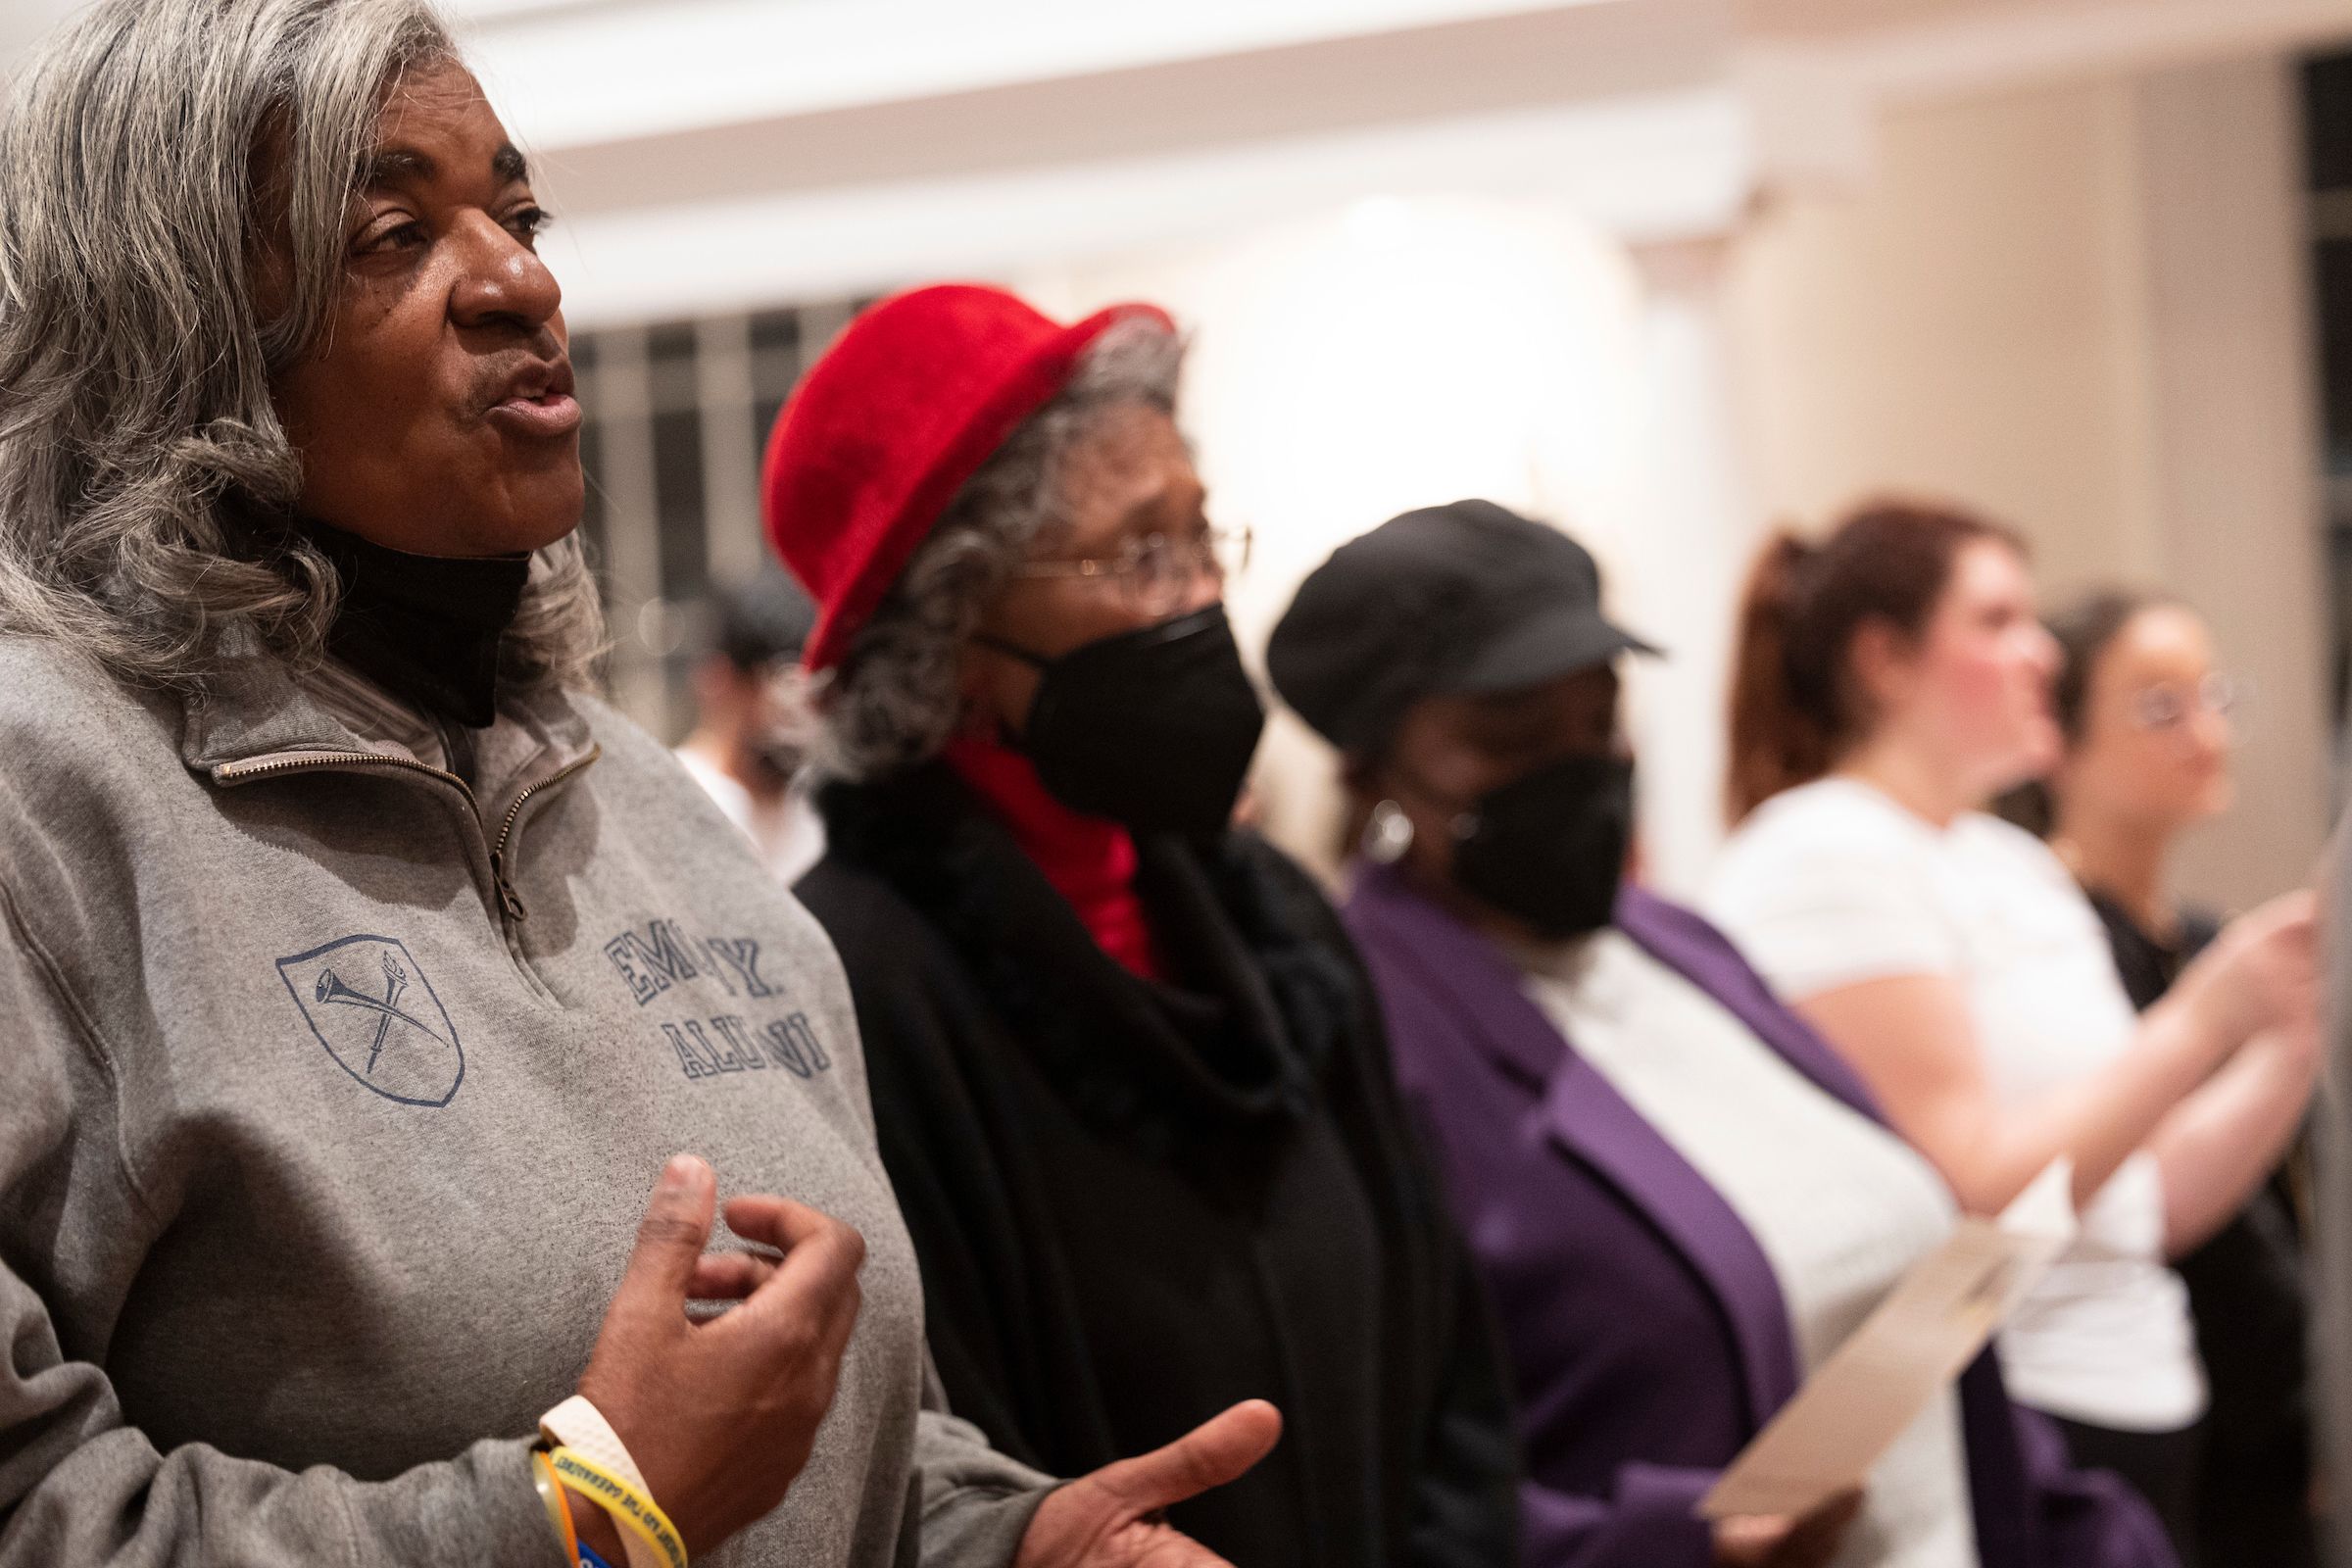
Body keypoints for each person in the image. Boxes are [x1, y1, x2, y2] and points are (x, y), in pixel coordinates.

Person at [0, 6, 1283, 1566]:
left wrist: (1008, 1543)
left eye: (520, 215)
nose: (520, 280)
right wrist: (579, 1521)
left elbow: (840, 1444)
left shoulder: (645, 807)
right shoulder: (44, 799)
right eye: (393, 232)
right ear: (171, 323)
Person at [1265, 498, 2176, 1568]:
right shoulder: (1366, 1037)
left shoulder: (1683, 948)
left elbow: (1911, 1313)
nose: (1578, 762)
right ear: (1375, 771)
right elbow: (1387, 1477)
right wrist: (1665, 1545)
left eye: (1597, 715)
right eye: (1510, 737)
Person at [764, 284, 1521, 1568]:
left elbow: (1447, 1350)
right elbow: (947, 1455)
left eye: (1198, 539)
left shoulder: (1272, 914)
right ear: (954, 637)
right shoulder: (852, 984)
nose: (1197, 598)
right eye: (1136, 555)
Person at [1705, 501, 2319, 1558]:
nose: (2040, 653)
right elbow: (1970, 1195)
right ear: (1885, 659)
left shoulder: (2009, 862)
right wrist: (2206, 1014)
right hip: (2006, 1415)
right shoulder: (1825, 854)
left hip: (2144, 1402)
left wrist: (2296, 1030)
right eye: (1996, 621)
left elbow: (2142, 1198)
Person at [1998, 591, 2316, 1568]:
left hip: (2269, 1427)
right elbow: (2133, 1196)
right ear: (2059, 734)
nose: (2204, 731)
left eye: (2211, 696)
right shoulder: (2042, 949)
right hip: (2152, 1427)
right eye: (2158, 707)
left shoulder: (2216, 944)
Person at [675, 572, 828, 884]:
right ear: (717, 681)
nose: (795, 716)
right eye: (781, 688)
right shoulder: (674, 802)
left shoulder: (811, 810)